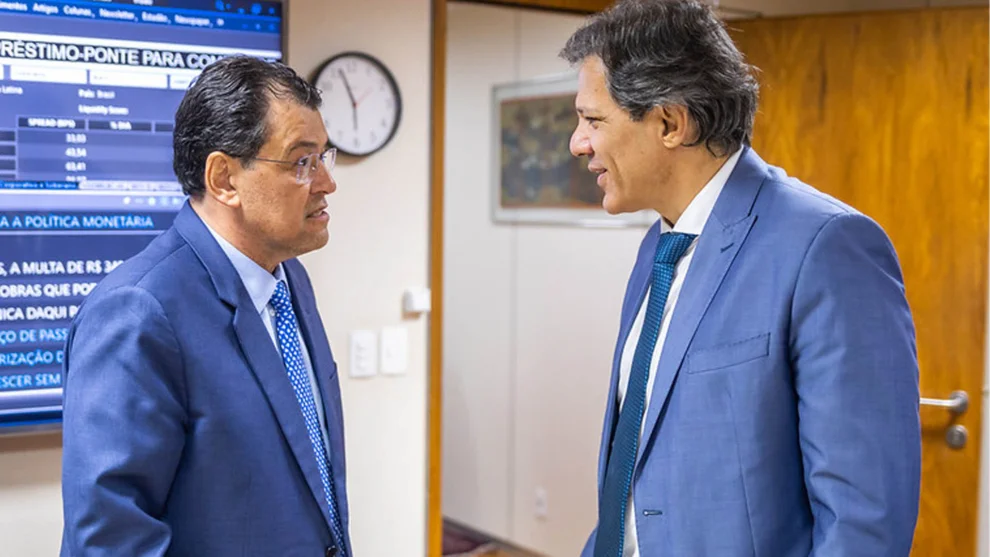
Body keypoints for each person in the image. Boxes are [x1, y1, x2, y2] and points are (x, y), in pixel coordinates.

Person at [559, 1, 921, 556]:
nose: (577, 143)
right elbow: (641, 470)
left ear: (670, 123)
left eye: (593, 120)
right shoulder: (658, 244)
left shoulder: (827, 247)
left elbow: (864, 521)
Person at [60, 55, 351, 557]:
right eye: (302, 162)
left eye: (325, 157)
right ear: (223, 179)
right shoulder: (139, 311)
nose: (326, 183)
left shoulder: (290, 281)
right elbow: (110, 542)